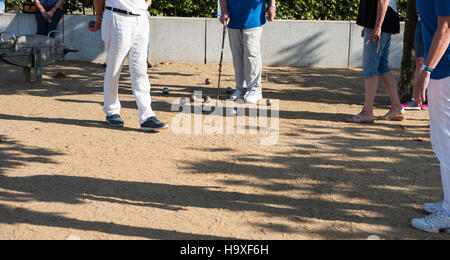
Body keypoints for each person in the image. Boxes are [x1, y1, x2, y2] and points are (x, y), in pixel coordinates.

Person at [88, 0, 168, 131]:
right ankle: (111, 111)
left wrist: (144, 5)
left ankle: (147, 116)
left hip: (140, 17)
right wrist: (99, 15)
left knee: (140, 70)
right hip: (117, 17)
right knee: (114, 67)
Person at [411, 0, 450, 233]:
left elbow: (446, 28)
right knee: (443, 141)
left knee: (444, 142)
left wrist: (426, 71)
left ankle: (448, 210)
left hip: (444, 70)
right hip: (443, 70)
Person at [346, 0, 405, 124]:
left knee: (370, 68)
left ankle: (367, 112)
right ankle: (396, 108)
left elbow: (383, 1)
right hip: (382, 23)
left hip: (380, 24)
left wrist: (377, 27)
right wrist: (369, 25)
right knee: (382, 67)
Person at [219, 0, 276, 104]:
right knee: (237, 54)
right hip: (233, 16)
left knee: (251, 53)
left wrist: (272, 5)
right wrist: (223, 10)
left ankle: (255, 88)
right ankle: (241, 88)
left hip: (254, 16)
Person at [402, 14, 429, 111]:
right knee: (419, 61)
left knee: (433, 61)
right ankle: (415, 99)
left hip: (434, 21)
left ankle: (429, 99)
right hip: (421, 20)